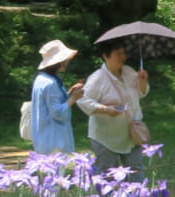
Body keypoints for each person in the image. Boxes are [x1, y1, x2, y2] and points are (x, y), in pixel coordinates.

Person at [78, 41, 150, 176]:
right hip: (105, 137)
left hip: (131, 133)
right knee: (107, 176)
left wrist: (142, 81)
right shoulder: (97, 78)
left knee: (136, 171)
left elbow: (141, 93)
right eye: (118, 54)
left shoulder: (129, 72)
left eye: (124, 53)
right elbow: (83, 100)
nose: (123, 56)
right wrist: (105, 109)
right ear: (105, 56)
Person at [28, 39, 84, 154]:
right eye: (65, 59)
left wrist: (69, 93)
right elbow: (57, 113)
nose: (67, 61)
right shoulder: (51, 83)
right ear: (59, 61)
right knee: (56, 172)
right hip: (54, 141)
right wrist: (73, 99)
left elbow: (51, 103)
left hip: (44, 137)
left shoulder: (41, 78)